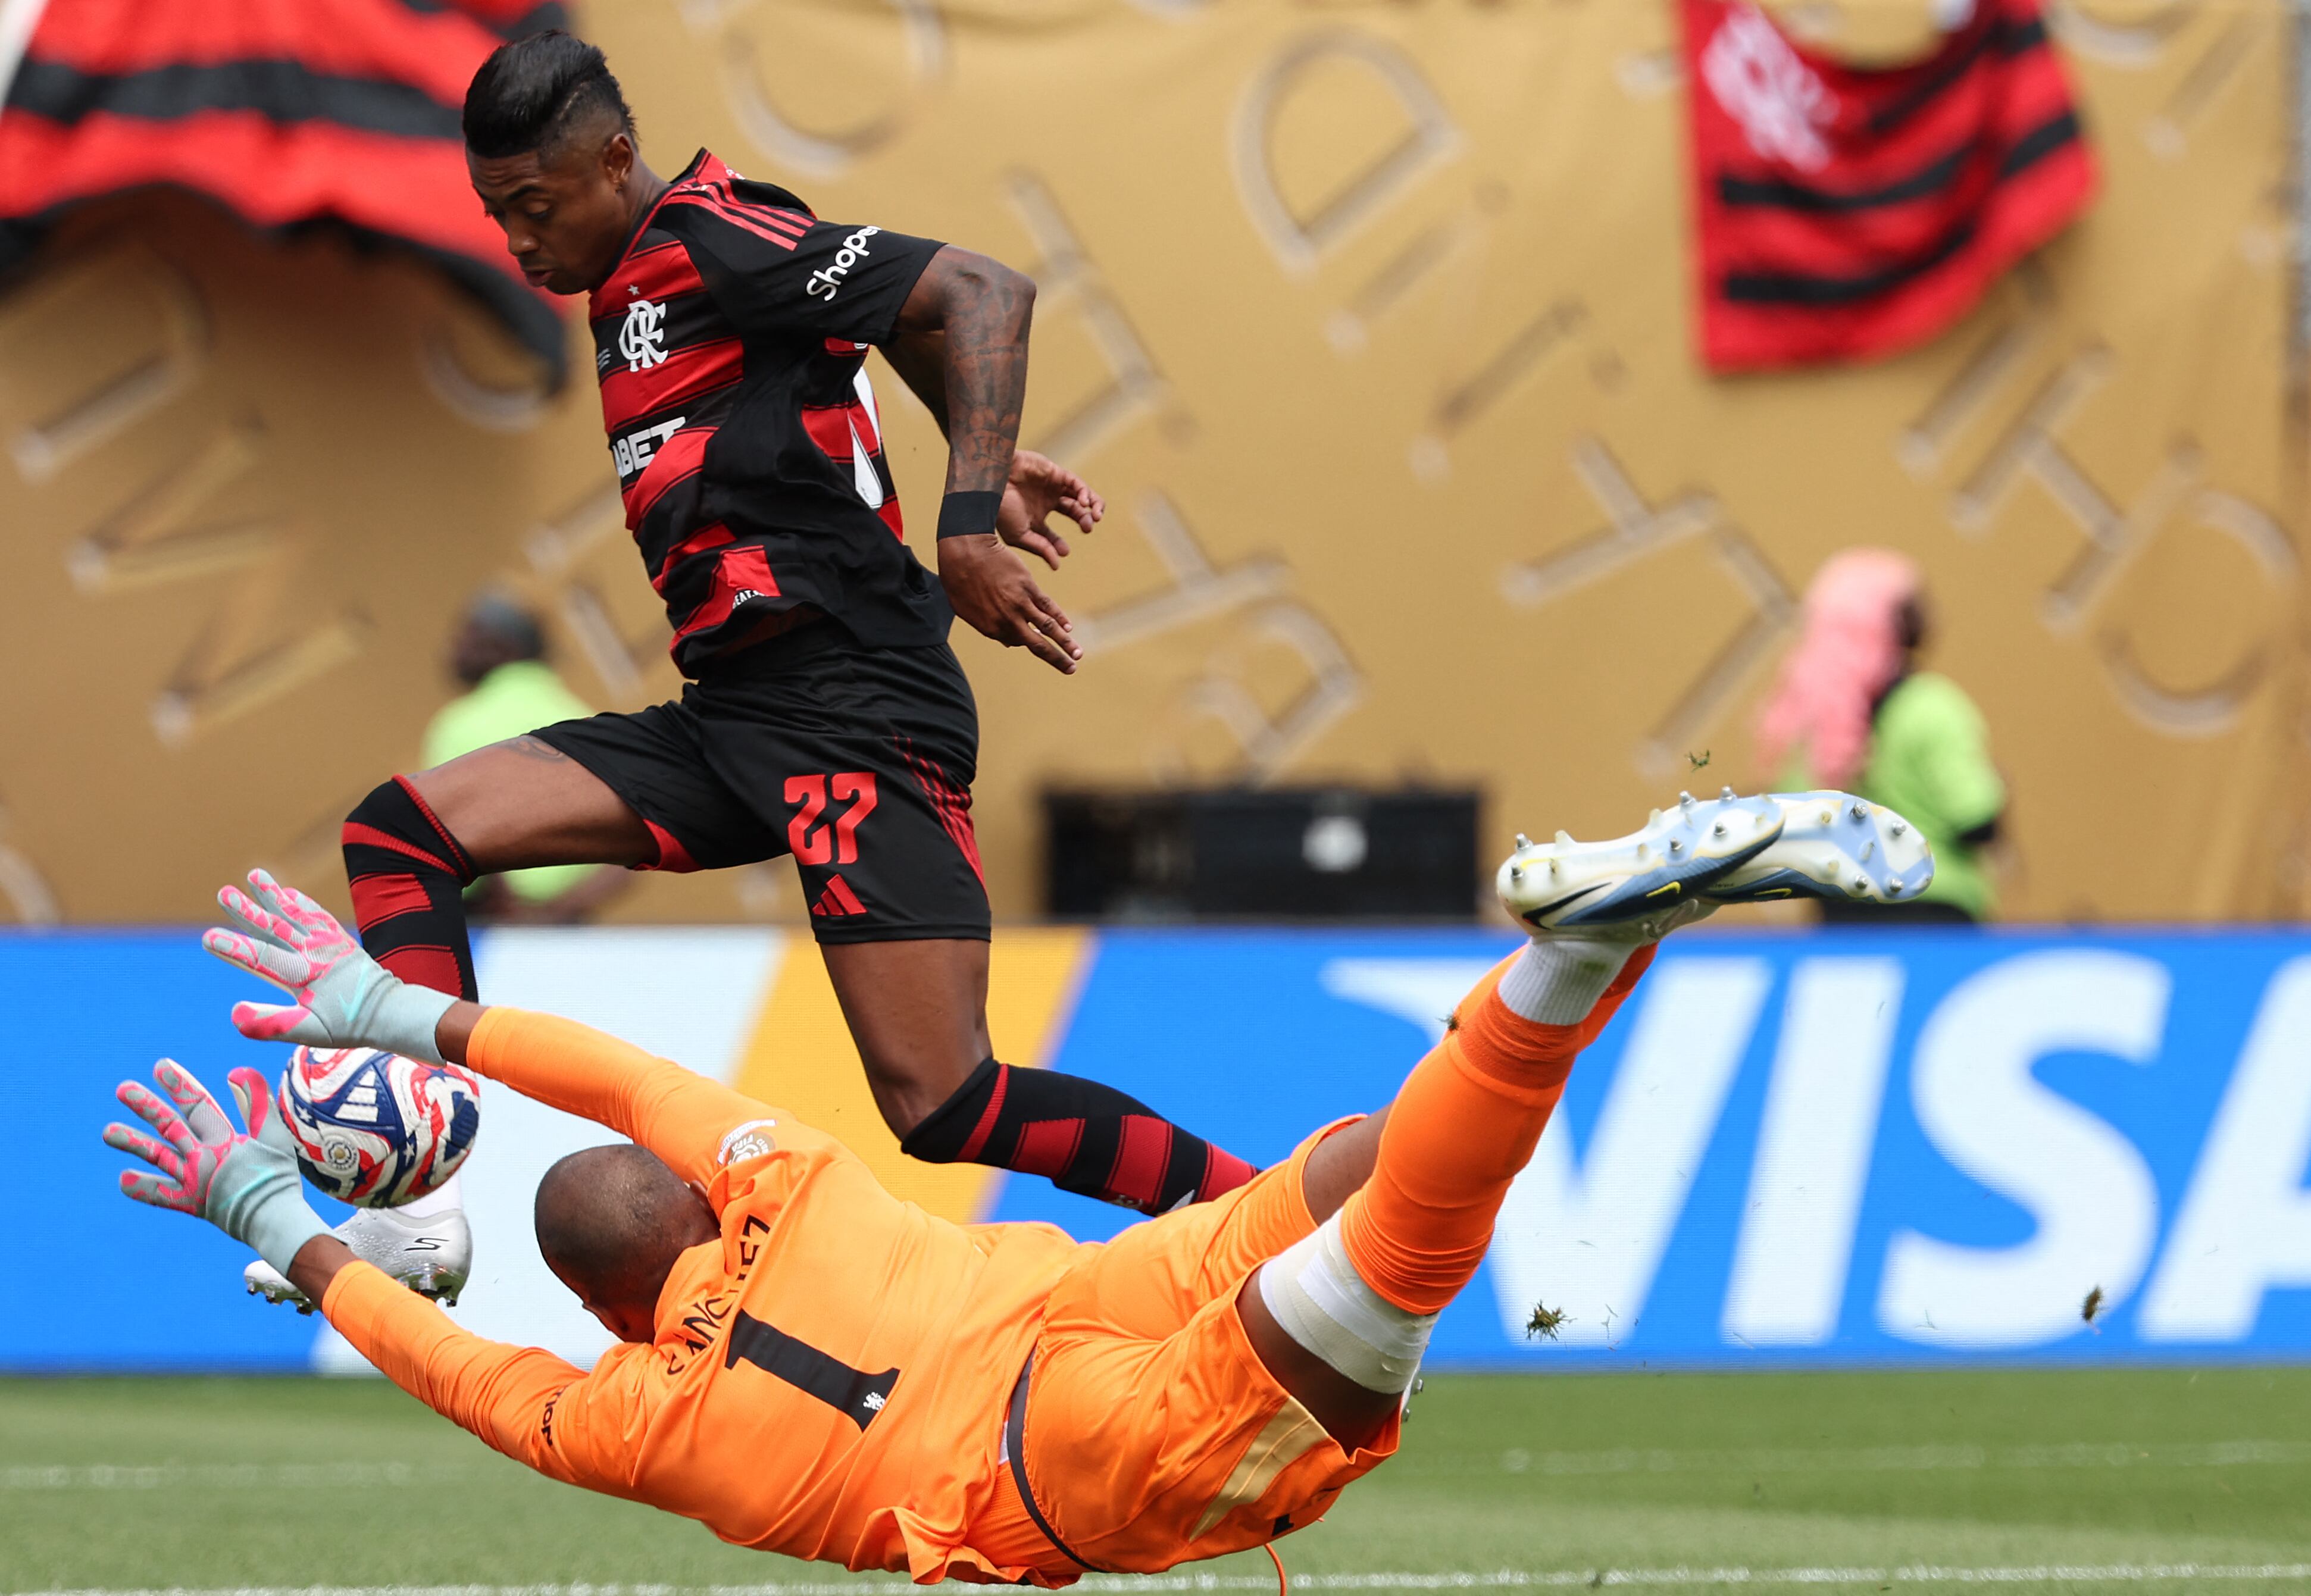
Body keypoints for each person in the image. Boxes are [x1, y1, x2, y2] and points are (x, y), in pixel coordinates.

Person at [114, 791, 1914, 1582]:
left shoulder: (626, 1425)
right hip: (1064, 1307)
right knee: (1363, 1166)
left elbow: (465, 1377)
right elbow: (631, 1083)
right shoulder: (779, 1181)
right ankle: (1553, 974)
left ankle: (1588, 957)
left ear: (596, 1306)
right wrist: (405, 1010)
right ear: (682, 1203)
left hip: (1043, 1471)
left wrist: (285, 1223)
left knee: (1393, 1263)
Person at [311, 30, 1265, 1304]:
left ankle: (1263, 1218)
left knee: (944, 1103)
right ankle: (424, 1210)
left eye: (535, 208)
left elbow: (980, 292)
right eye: (497, 217)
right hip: (732, 713)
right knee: (401, 835)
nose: (519, 245)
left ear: (613, 159)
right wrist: (967, 432)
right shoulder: (639, 280)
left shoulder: (712, 240)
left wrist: (970, 511)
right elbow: (881, 328)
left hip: (856, 707)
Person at [1753, 549, 2004, 925]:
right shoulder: (1932, 706)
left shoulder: (1812, 721)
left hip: (1841, 920)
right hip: (1935, 913)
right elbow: (1976, 820)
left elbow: (1791, 829)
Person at [424, 591, 630, 927]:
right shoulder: (581, 717)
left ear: (503, 648)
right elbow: (632, 842)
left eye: (468, 634)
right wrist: (562, 910)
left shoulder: (459, 723)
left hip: (502, 924)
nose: (454, 646)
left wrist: (517, 915)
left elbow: (460, 839)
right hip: (574, 919)